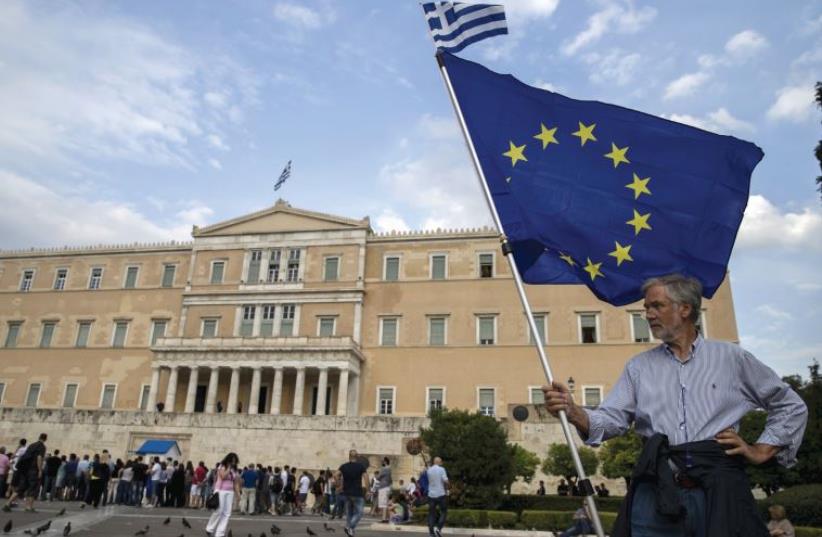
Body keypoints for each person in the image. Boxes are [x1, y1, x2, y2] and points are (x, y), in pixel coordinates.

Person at [544, 274, 809, 537]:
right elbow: (612, 419)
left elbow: (790, 406)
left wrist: (761, 449)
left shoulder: (732, 358)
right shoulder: (639, 367)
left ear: (685, 309)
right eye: (646, 307)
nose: (648, 314)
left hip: (717, 492)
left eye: (656, 306)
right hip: (656, 491)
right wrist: (574, 411)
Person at [3, 433, 46, 513]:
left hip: (25, 470)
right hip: (33, 470)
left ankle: (7, 504)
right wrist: (40, 470)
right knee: (33, 488)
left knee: (20, 487)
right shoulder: (42, 447)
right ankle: (29, 507)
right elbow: (39, 458)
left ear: (39, 437)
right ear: (45, 439)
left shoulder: (31, 445)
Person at [206, 452, 240, 537]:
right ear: (228, 460)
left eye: (235, 461)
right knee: (219, 511)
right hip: (220, 490)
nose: (233, 463)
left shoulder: (235, 470)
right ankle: (209, 528)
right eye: (232, 461)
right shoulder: (222, 466)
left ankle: (220, 533)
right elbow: (223, 476)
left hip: (230, 492)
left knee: (227, 513)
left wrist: (238, 494)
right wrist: (228, 468)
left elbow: (236, 483)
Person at [338, 449, 369, 537]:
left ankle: (350, 530)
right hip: (357, 493)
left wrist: (338, 486)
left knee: (349, 513)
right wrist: (368, 490)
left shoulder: (343, 466)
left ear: (349, 456)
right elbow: (366, 478)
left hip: (347, 493)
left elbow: (336, 475)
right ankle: (350, 527)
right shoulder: (361, 466)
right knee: (359, 512)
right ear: (357, 457)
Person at [426, 456, 449, 537]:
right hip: (441, 494)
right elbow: (445, 481)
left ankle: (431, 533)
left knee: (431, 514)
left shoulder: (429, 470)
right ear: (439, 462)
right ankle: (438, 528)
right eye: (441, 462)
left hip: (431, 495)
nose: (442, 463)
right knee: (444, 512)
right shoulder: (441, 469)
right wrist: (447, 490)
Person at [377, 457, 392, 523]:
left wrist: (378, 476)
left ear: (385, 461)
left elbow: (378, 477)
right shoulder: (389, 468)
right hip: (387, 486)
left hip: (383, 487)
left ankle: (384, 519)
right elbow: (390, 480)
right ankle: (387, 518)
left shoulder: (384, 469)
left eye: (382, 461)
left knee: (383, 503)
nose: (381, 462)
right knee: (386, 503)